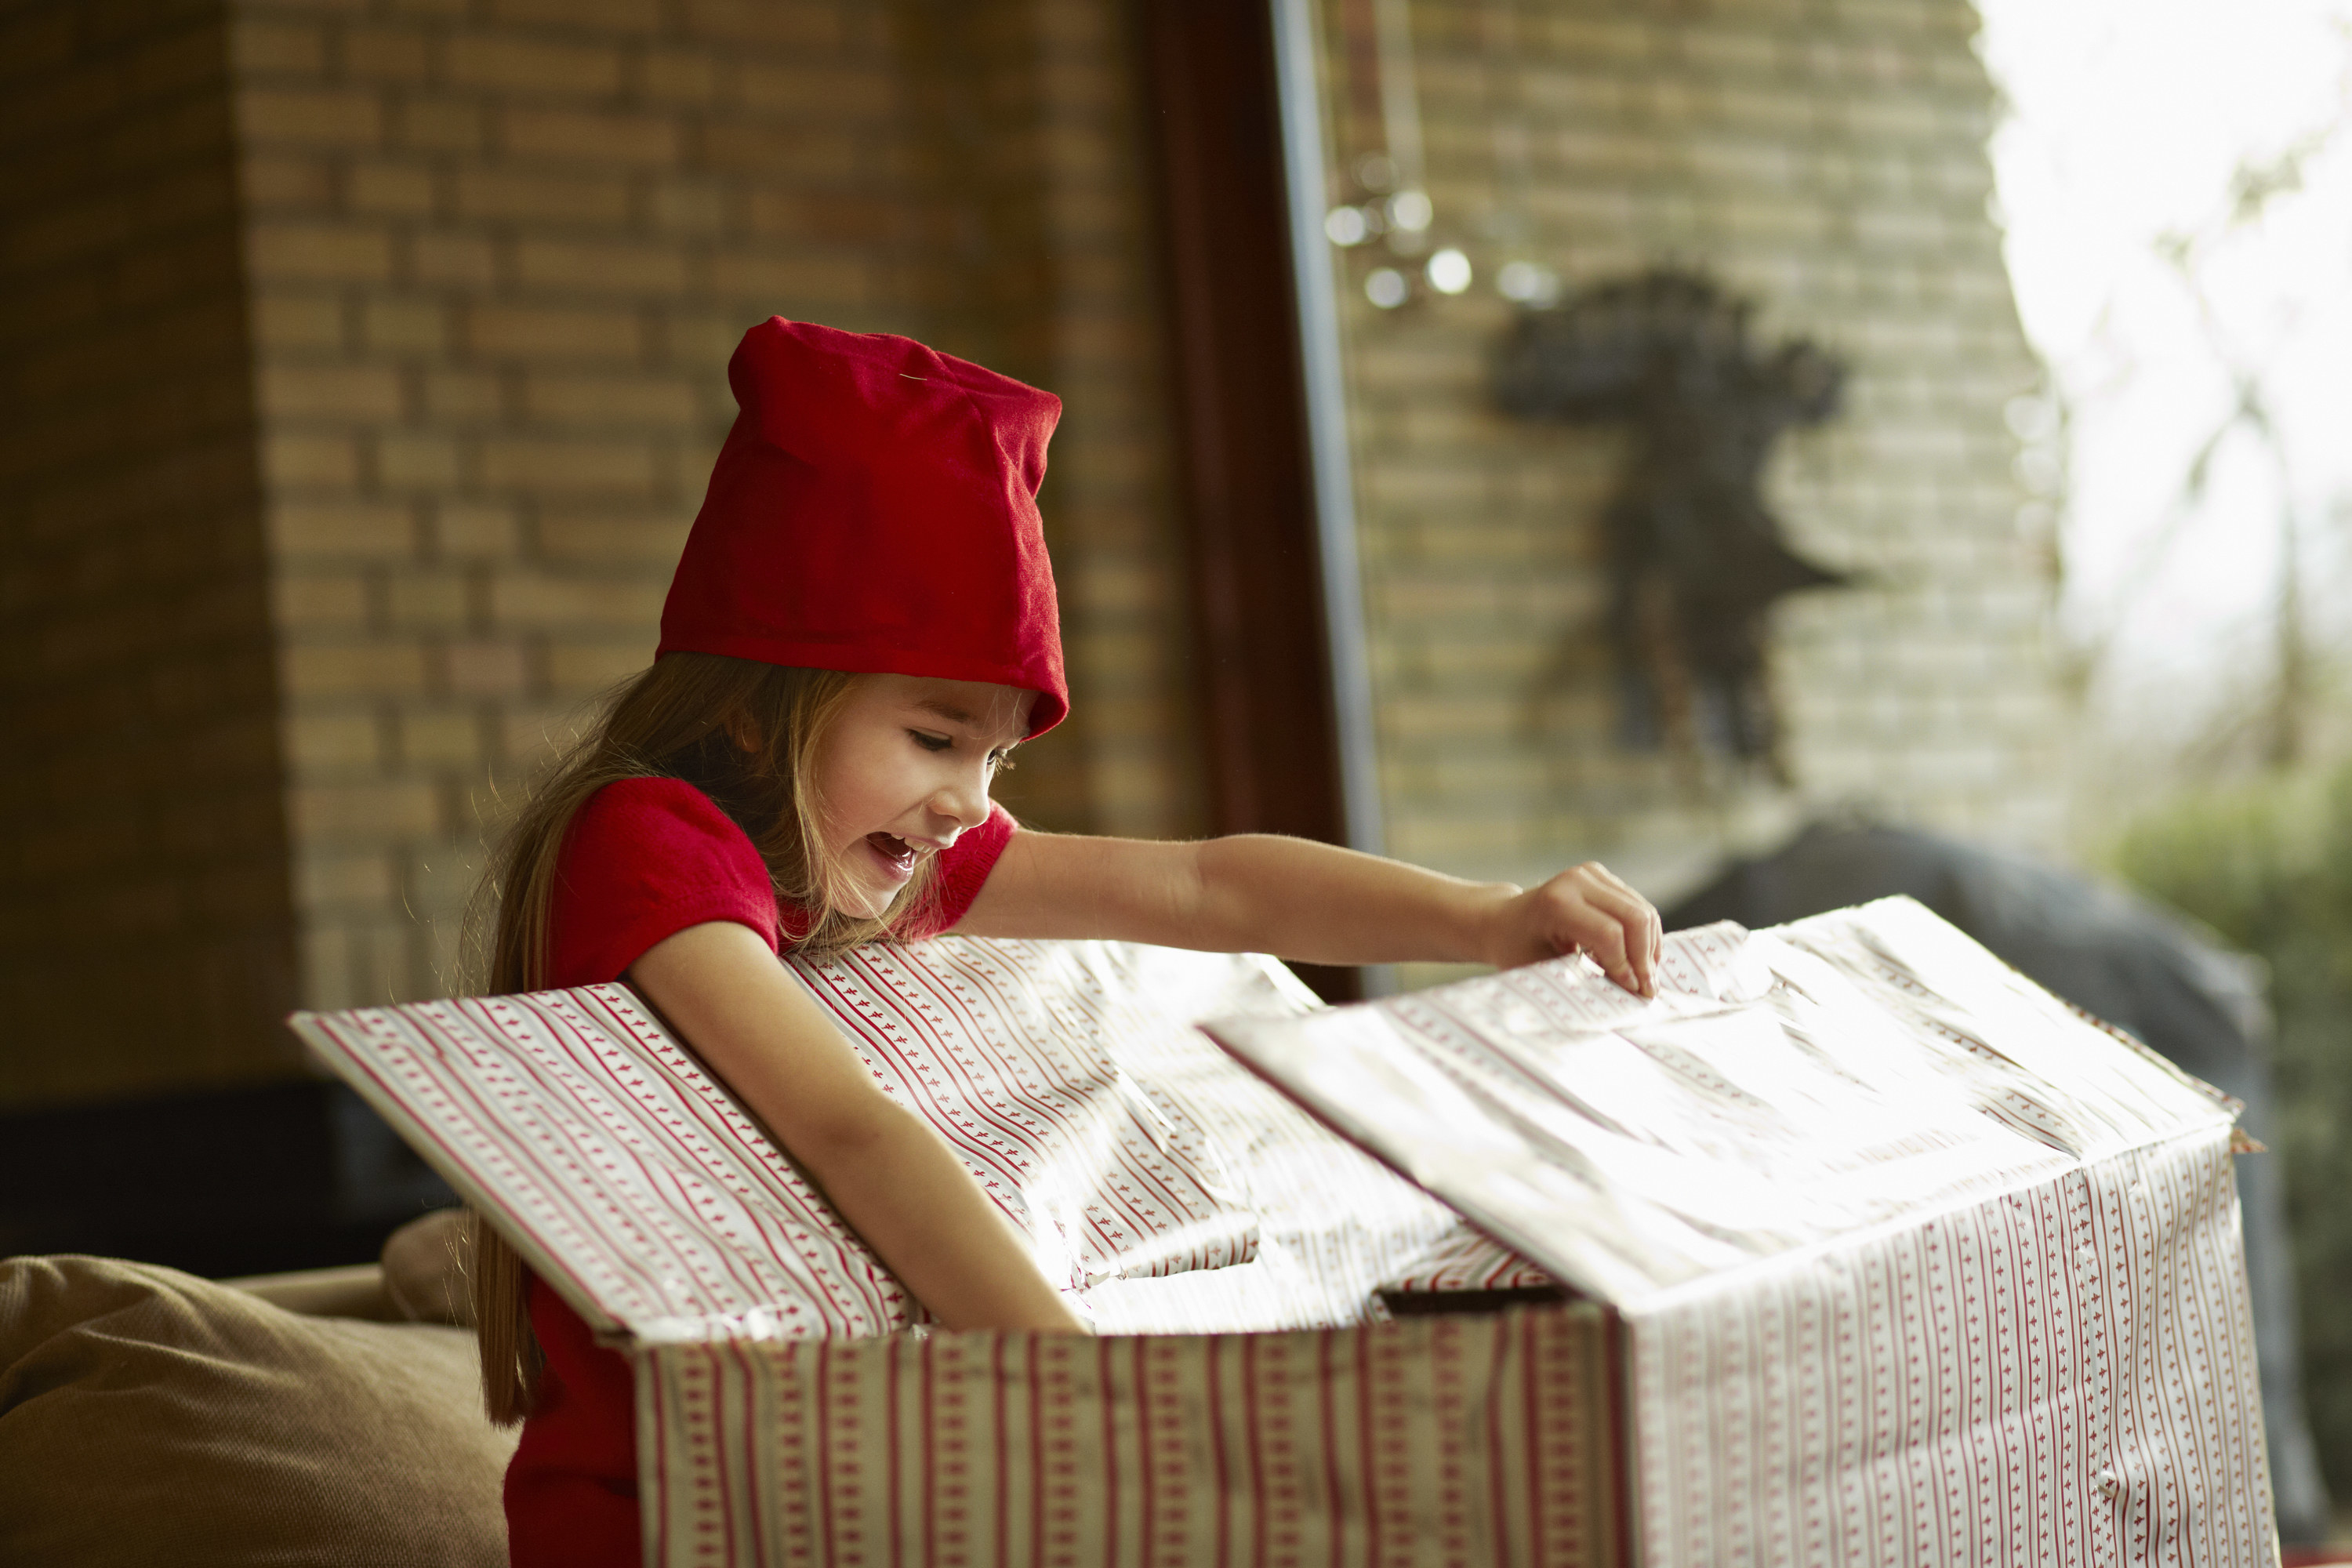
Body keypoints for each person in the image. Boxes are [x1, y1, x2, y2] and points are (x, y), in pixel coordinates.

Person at [472, 318, 1664, 1567]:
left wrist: (1485, 916)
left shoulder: (867, 860)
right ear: (756, 712)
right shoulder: (649, 837)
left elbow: (1211, 889)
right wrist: (1084, 1396)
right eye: (935, 739)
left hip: (845, 1490)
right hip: (663, 1514)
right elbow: (849, 1127)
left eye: (995, 757)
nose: (972, 802)